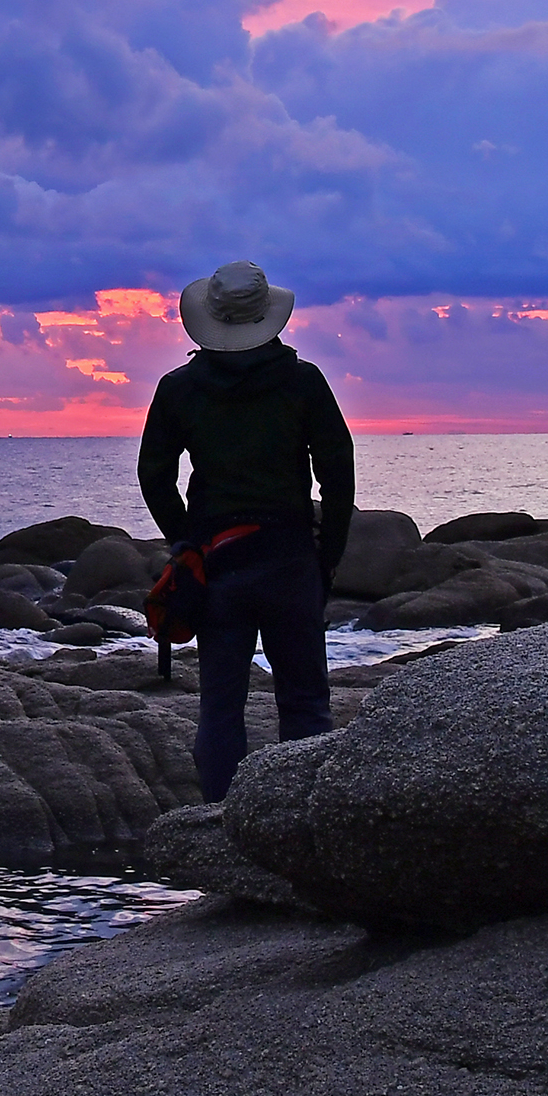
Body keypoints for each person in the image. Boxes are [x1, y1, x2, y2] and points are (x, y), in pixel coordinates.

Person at [137, 258, 355, 798]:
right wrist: (329, 554)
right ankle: (305, 818)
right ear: (269, 317)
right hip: (289, 554)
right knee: (305, 703)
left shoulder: (179, 388)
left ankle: (221, 821)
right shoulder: (303, 382)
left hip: (217, 558)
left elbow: (154, 475)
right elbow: (337, 471)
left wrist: (184, 541)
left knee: (221, 705)